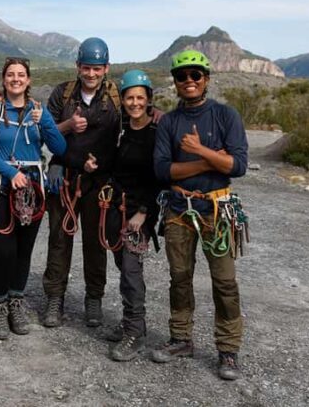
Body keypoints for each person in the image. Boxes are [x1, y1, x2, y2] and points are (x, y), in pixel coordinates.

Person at [151, 49, 248, 380]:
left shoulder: (225, 116)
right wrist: (210, 160)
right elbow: (163, 170)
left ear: (206, 79)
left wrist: (198, 151)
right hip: (179, 211)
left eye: (195, 75)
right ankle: (181, 338)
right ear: (175, 82)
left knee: (224, 281)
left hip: (217, 210)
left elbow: (238, 165)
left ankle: (228, 350)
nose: (189, 81)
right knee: (179, 277)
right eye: (182, 76)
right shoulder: (169, 123)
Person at [0, 57, 66, 340]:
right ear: (4, 79)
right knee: (4, 251)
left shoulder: (39, 111)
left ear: (28, 80)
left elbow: (60, 147)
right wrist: (10, 171)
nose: (16, 79)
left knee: (24, 251)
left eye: (21, 75)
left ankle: (16, 301)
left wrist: (46, 124)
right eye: (11, 74)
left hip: (32, 190)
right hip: (2, 186)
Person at [41, 37, 121, 328]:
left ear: (106, 68)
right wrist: (68, 127)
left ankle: (94, 299)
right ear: (77, 66)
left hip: (100, 182)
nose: (91, 74)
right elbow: (45, 133)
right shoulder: (62, 94)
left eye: (97, 68)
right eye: (86, 67)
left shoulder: (116, 97)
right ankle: (54, 299)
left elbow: (136, 125)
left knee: (95, 242)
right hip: (65, 177)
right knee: (59, 239)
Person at [98, 69, 165, 361]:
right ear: (123, 100)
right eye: (129, 97)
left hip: (139, 212)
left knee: (131, 269)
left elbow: (159, 176)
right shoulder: (122, 130)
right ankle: (131, 323)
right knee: (121, 265)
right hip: (117, 207)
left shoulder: (157, 133)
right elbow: (114, 166)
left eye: (140, 97)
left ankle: (135, 332)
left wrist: (144, 213)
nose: (135, 102)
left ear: (148, 99)